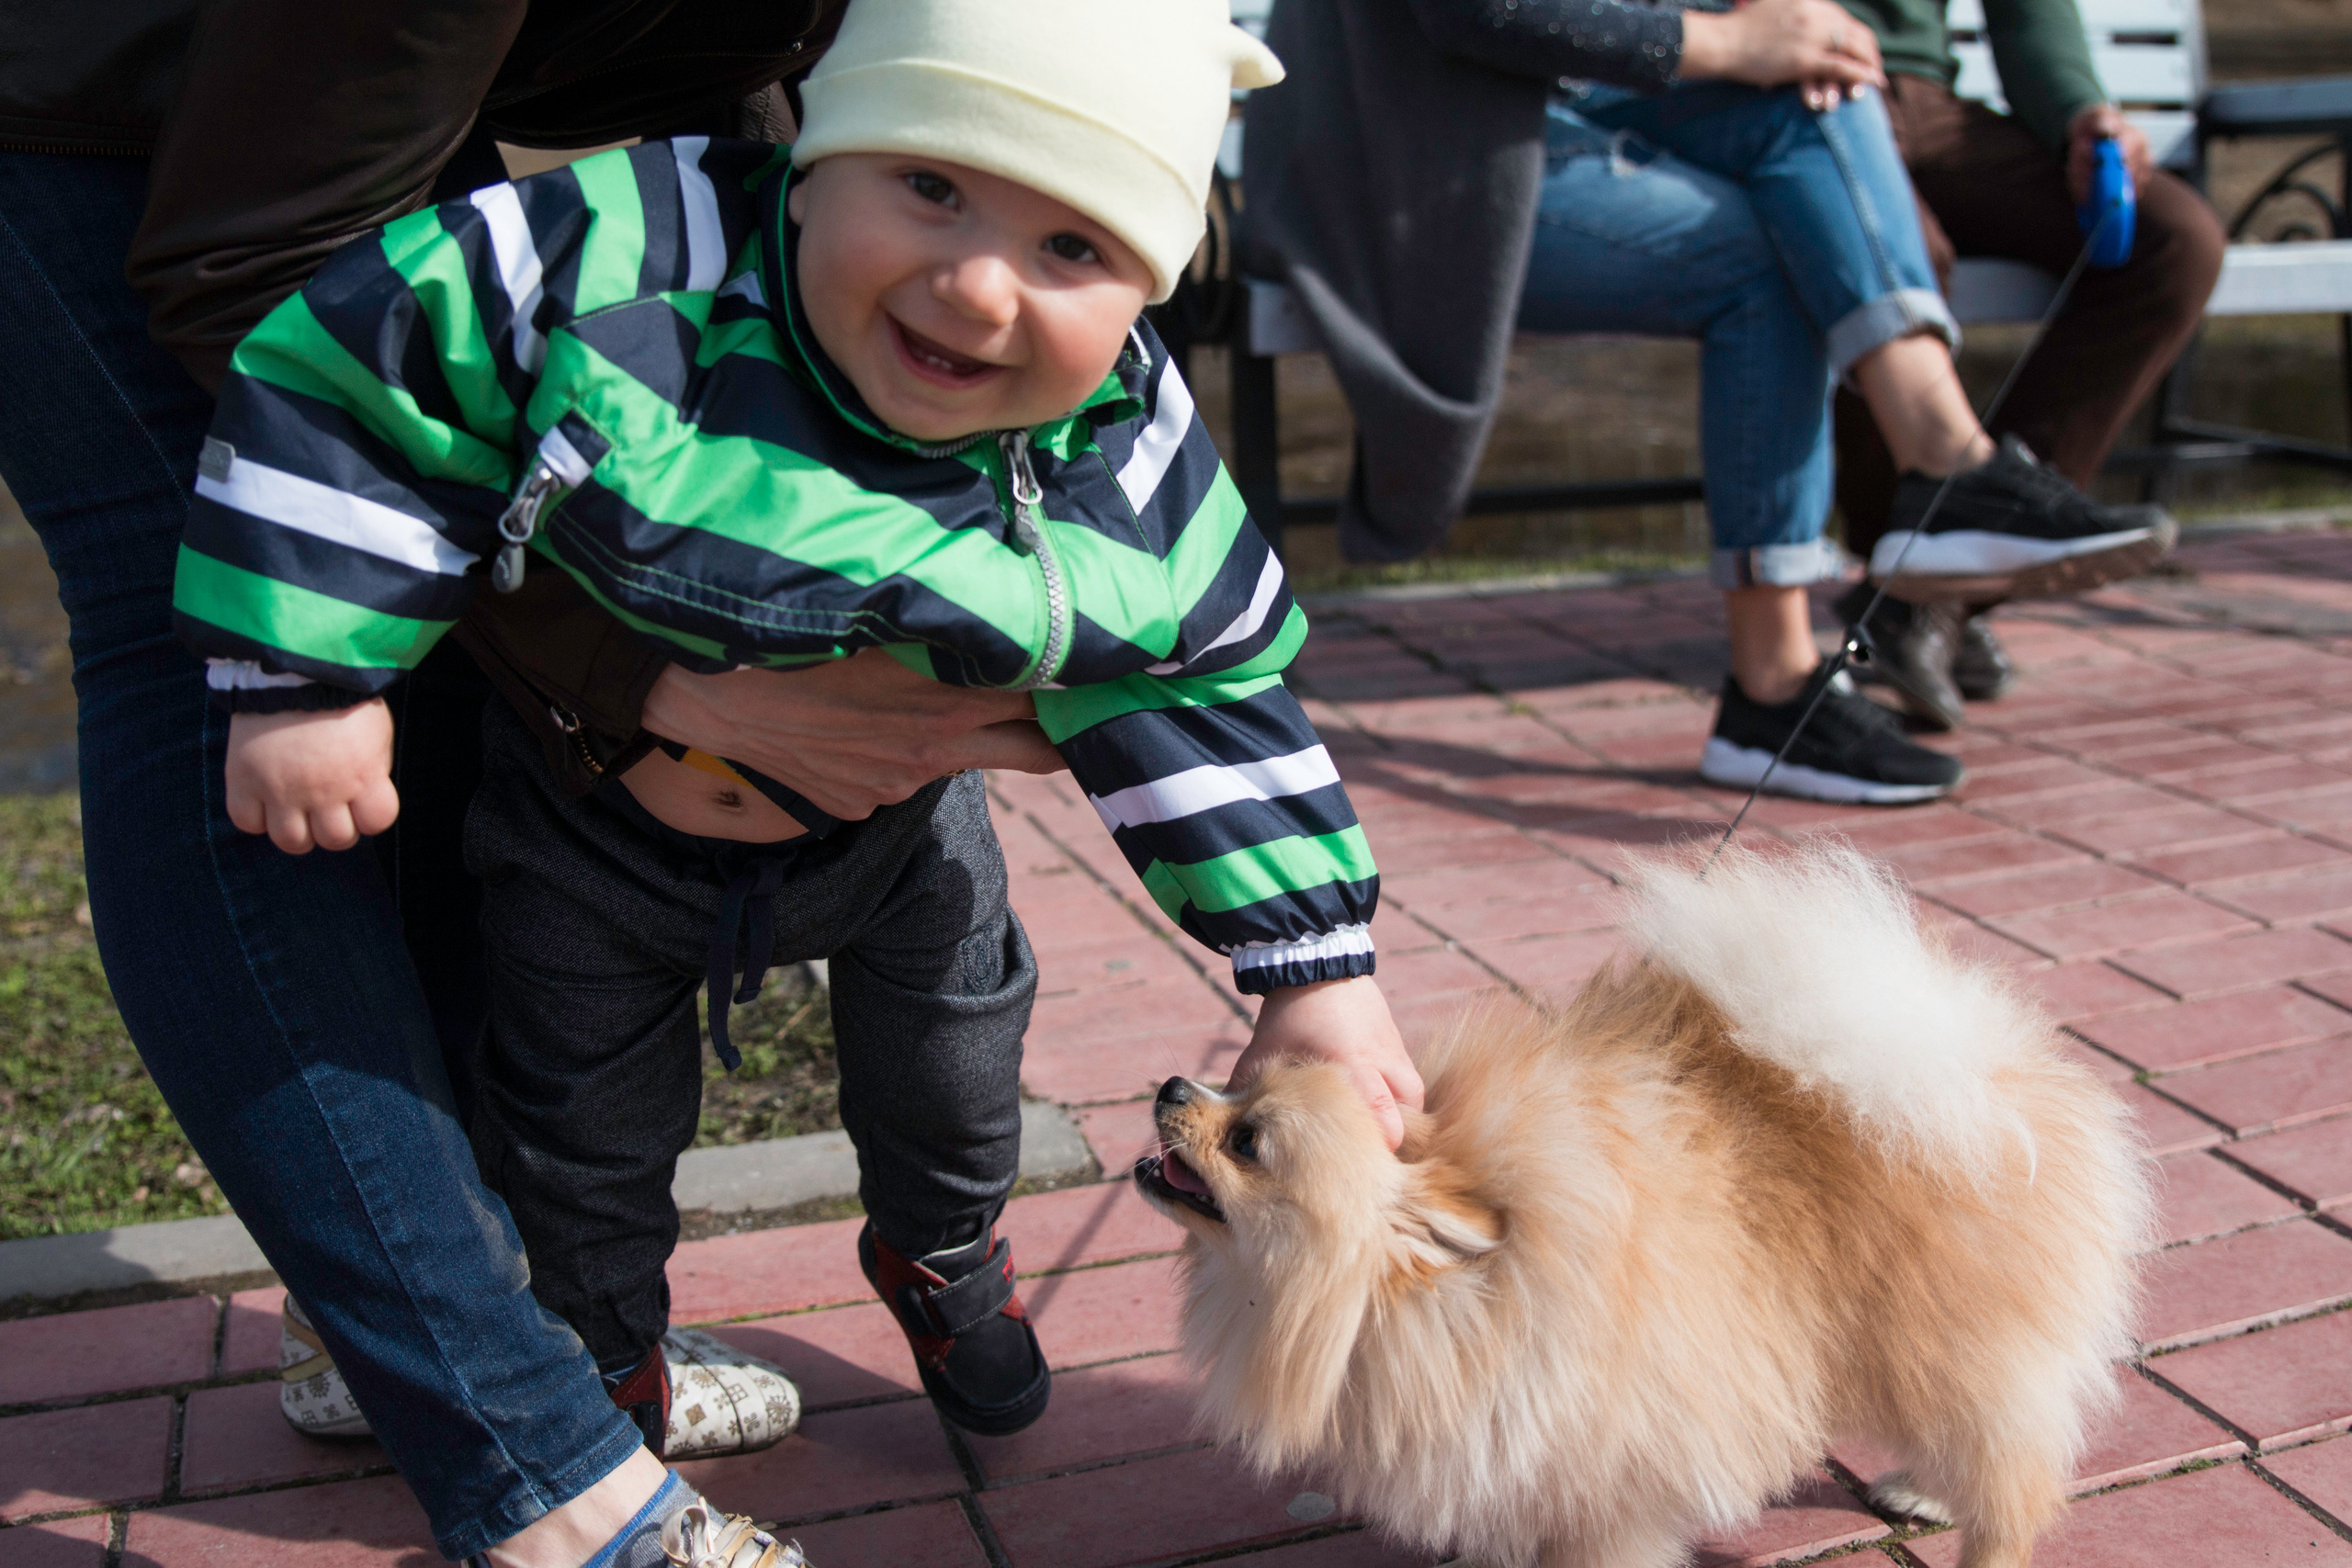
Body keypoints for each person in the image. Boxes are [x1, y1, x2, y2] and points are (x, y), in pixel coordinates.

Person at [173, 0, 1416, 1540]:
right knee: (583, 1140)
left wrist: (1311, 962)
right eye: (932, 185)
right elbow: (361, 365)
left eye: (1073, 251)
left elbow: (1204, 663)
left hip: (897, 836)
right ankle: (603, 1374)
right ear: (812, 155)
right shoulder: (646, 253)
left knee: (965, 1058)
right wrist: (311, 677)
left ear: (1152, 288)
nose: (975, 286)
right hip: (598, 833)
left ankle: (945, 1245)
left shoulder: (1117, 425)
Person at [0, 4, 1092, 1565]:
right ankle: (546, 1481)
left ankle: (428, 1343)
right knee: (227, 642)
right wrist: (648, 661)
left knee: (433, 625)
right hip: (93, 110)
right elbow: (255, 281)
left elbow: (750, 125)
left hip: (348, 87)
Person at [1243, 0, 2175, 805]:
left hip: (1529, 123)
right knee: (1759, 248)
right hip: (1405, 164)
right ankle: (1909, 521)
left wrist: (1788, 36)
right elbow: (1480, 10)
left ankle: (1912, 514)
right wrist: (1734, 45)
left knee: (1817, 80)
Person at [1826, 0, 2228, 729]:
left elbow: (2028, 12)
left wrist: (2080, 111)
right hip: (1809, 83)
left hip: (1934, 105)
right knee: (1895, 253)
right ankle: (1919, 585)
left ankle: (1929, 594)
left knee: (2176, 241)